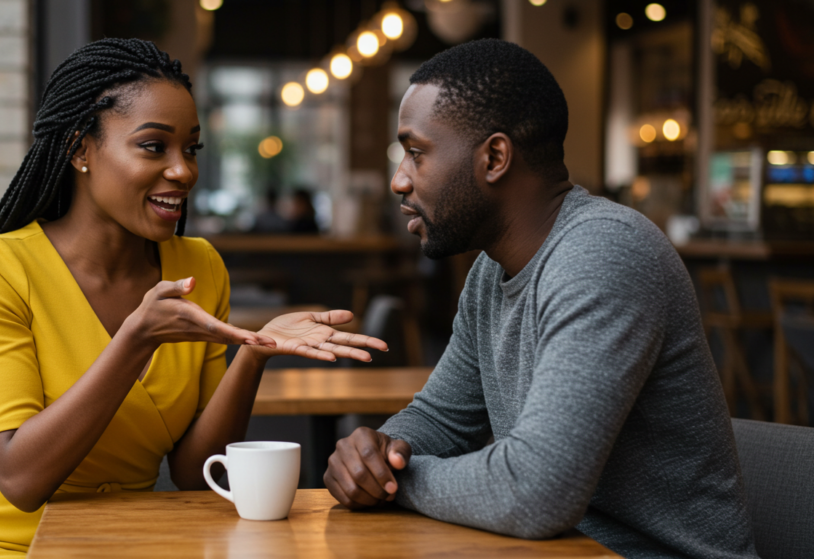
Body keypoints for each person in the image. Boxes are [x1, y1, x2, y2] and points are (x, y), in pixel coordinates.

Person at [0, 39, 386, 558]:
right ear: (79, 149)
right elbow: (20, 479)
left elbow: (193, 475)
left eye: (192, 148)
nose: (183, 171)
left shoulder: (200, 267)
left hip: (123, 542)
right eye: (154, 147)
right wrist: (135, 340)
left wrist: (254, 351)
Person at [323, 39, 757, 558]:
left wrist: (399, 482)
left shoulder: (604, 253)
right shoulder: (490, 271)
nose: (399, 180)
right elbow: (441, 419)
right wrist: (375, 454)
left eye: (416, 153)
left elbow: (534, 491)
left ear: (495, 157)